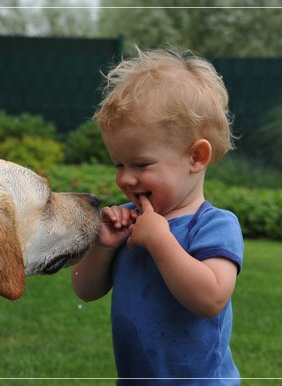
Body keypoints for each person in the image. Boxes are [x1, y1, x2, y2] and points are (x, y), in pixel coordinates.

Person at [71, 46, 244, 386]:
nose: (125, 178)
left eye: (141, 164)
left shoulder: (214, 226)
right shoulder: (130, 223)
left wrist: (161, 239)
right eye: (119, 164)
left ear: (196, 157)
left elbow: (210, 298)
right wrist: (103, 248)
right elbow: (85, 290)